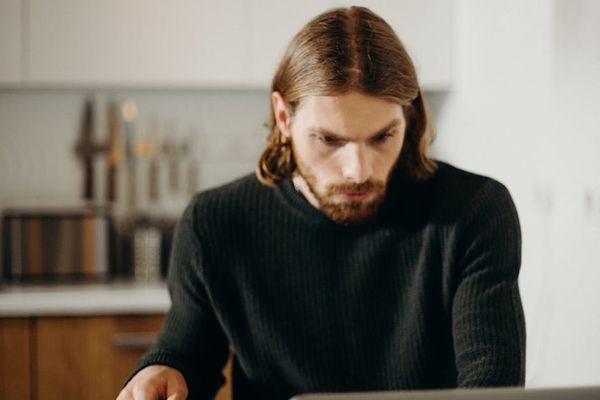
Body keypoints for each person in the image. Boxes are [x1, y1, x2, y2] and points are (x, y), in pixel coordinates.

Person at [117, 6, 525, 400]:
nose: (359, 170)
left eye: (383, 136)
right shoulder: (216, 222)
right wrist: (162, 370)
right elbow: (187, 353)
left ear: (408, 116)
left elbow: (490, 382)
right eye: (329, 140)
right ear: (283, 117)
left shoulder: (473, 211)